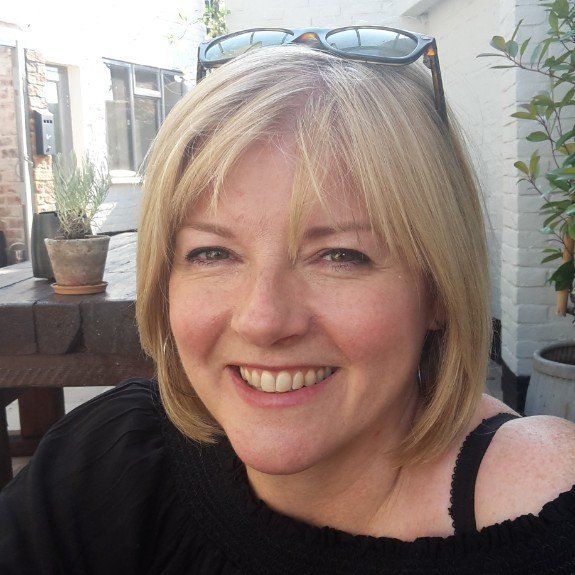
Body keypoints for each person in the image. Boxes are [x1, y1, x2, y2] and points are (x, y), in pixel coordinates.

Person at [1, 27, 575, 574]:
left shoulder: (542, 521)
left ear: (439, 290)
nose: (262, 320)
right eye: (212, 253)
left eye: (340, 256)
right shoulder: (111, 458)